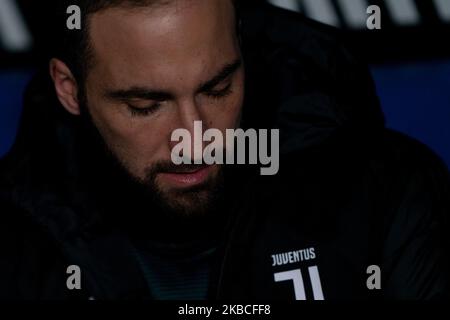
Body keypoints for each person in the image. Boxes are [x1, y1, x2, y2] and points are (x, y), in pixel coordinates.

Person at [0, 0, 449, 300]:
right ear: (70, 89)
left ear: (241, 46)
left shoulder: (385, 191)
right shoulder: (14, 248)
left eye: (218, 88)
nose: (194, 136)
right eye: (145, 106)